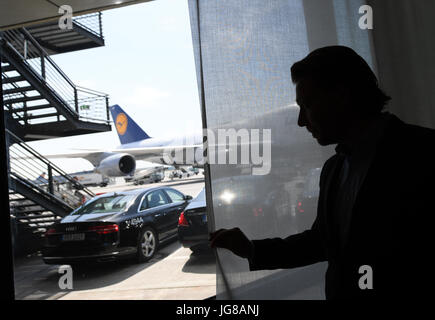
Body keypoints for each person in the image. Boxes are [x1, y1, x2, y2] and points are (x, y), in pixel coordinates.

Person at [209, 45, 435, 299]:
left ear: (342, 95)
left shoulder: (424, 153)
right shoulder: (334, 169)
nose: (301, 121)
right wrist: (251, 249)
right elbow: (321, 242)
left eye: (307, 104)